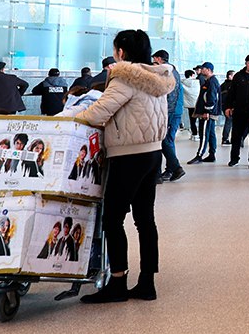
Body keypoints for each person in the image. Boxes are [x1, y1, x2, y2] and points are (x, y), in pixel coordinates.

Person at [72, 28, 174, 303]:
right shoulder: (158, 77)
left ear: (121, 52)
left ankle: (117, 283)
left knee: (112, 219)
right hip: (153, 153)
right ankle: (147, 283)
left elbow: (97, 113)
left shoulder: (125, 77)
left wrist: (71, 118)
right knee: (145, 219)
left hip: (128, 155)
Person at [151, 50, 186, 183]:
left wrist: (164, 113)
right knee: (166, 140)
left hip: (169, 112)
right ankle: (171, 169)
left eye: (154, 59)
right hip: (172, 111)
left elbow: (170, 95)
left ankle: (173, 169)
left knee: (164, 140)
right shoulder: (173, 71)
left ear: (159, 59)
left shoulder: (167, 72)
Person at [225, 55, 249, 166]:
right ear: (246, 63)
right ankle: (234, 158)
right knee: (236, 136)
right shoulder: (238, 76)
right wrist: (228, 107)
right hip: (239, 111)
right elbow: (231, 93)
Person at [188, 63, 221, 164]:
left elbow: (211, 98)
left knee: (204, 134)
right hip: (209, 112)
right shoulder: (209, 81)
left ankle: (199, 155)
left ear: (209, 70)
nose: (201, 70)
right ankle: (212, 154)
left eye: (203, 69)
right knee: (211, 134)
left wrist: (207, 111)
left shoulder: (212, 82)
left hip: (208, 113)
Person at [181, 69, 200, 139]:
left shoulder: (183, 83)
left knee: (192, 120)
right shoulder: (197, 82)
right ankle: (199, 134)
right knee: (200, 120)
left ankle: (194, 134)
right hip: (197, 104)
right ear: (192, 75)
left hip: (189, 105)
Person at [220, 69, 236, 145]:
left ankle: (226, 138)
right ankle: (225, 139)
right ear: (230, 76)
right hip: (229, 107)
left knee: (229, 122)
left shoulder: (223, 85)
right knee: (229, 122)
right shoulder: (232, 85)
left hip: (223, 106)